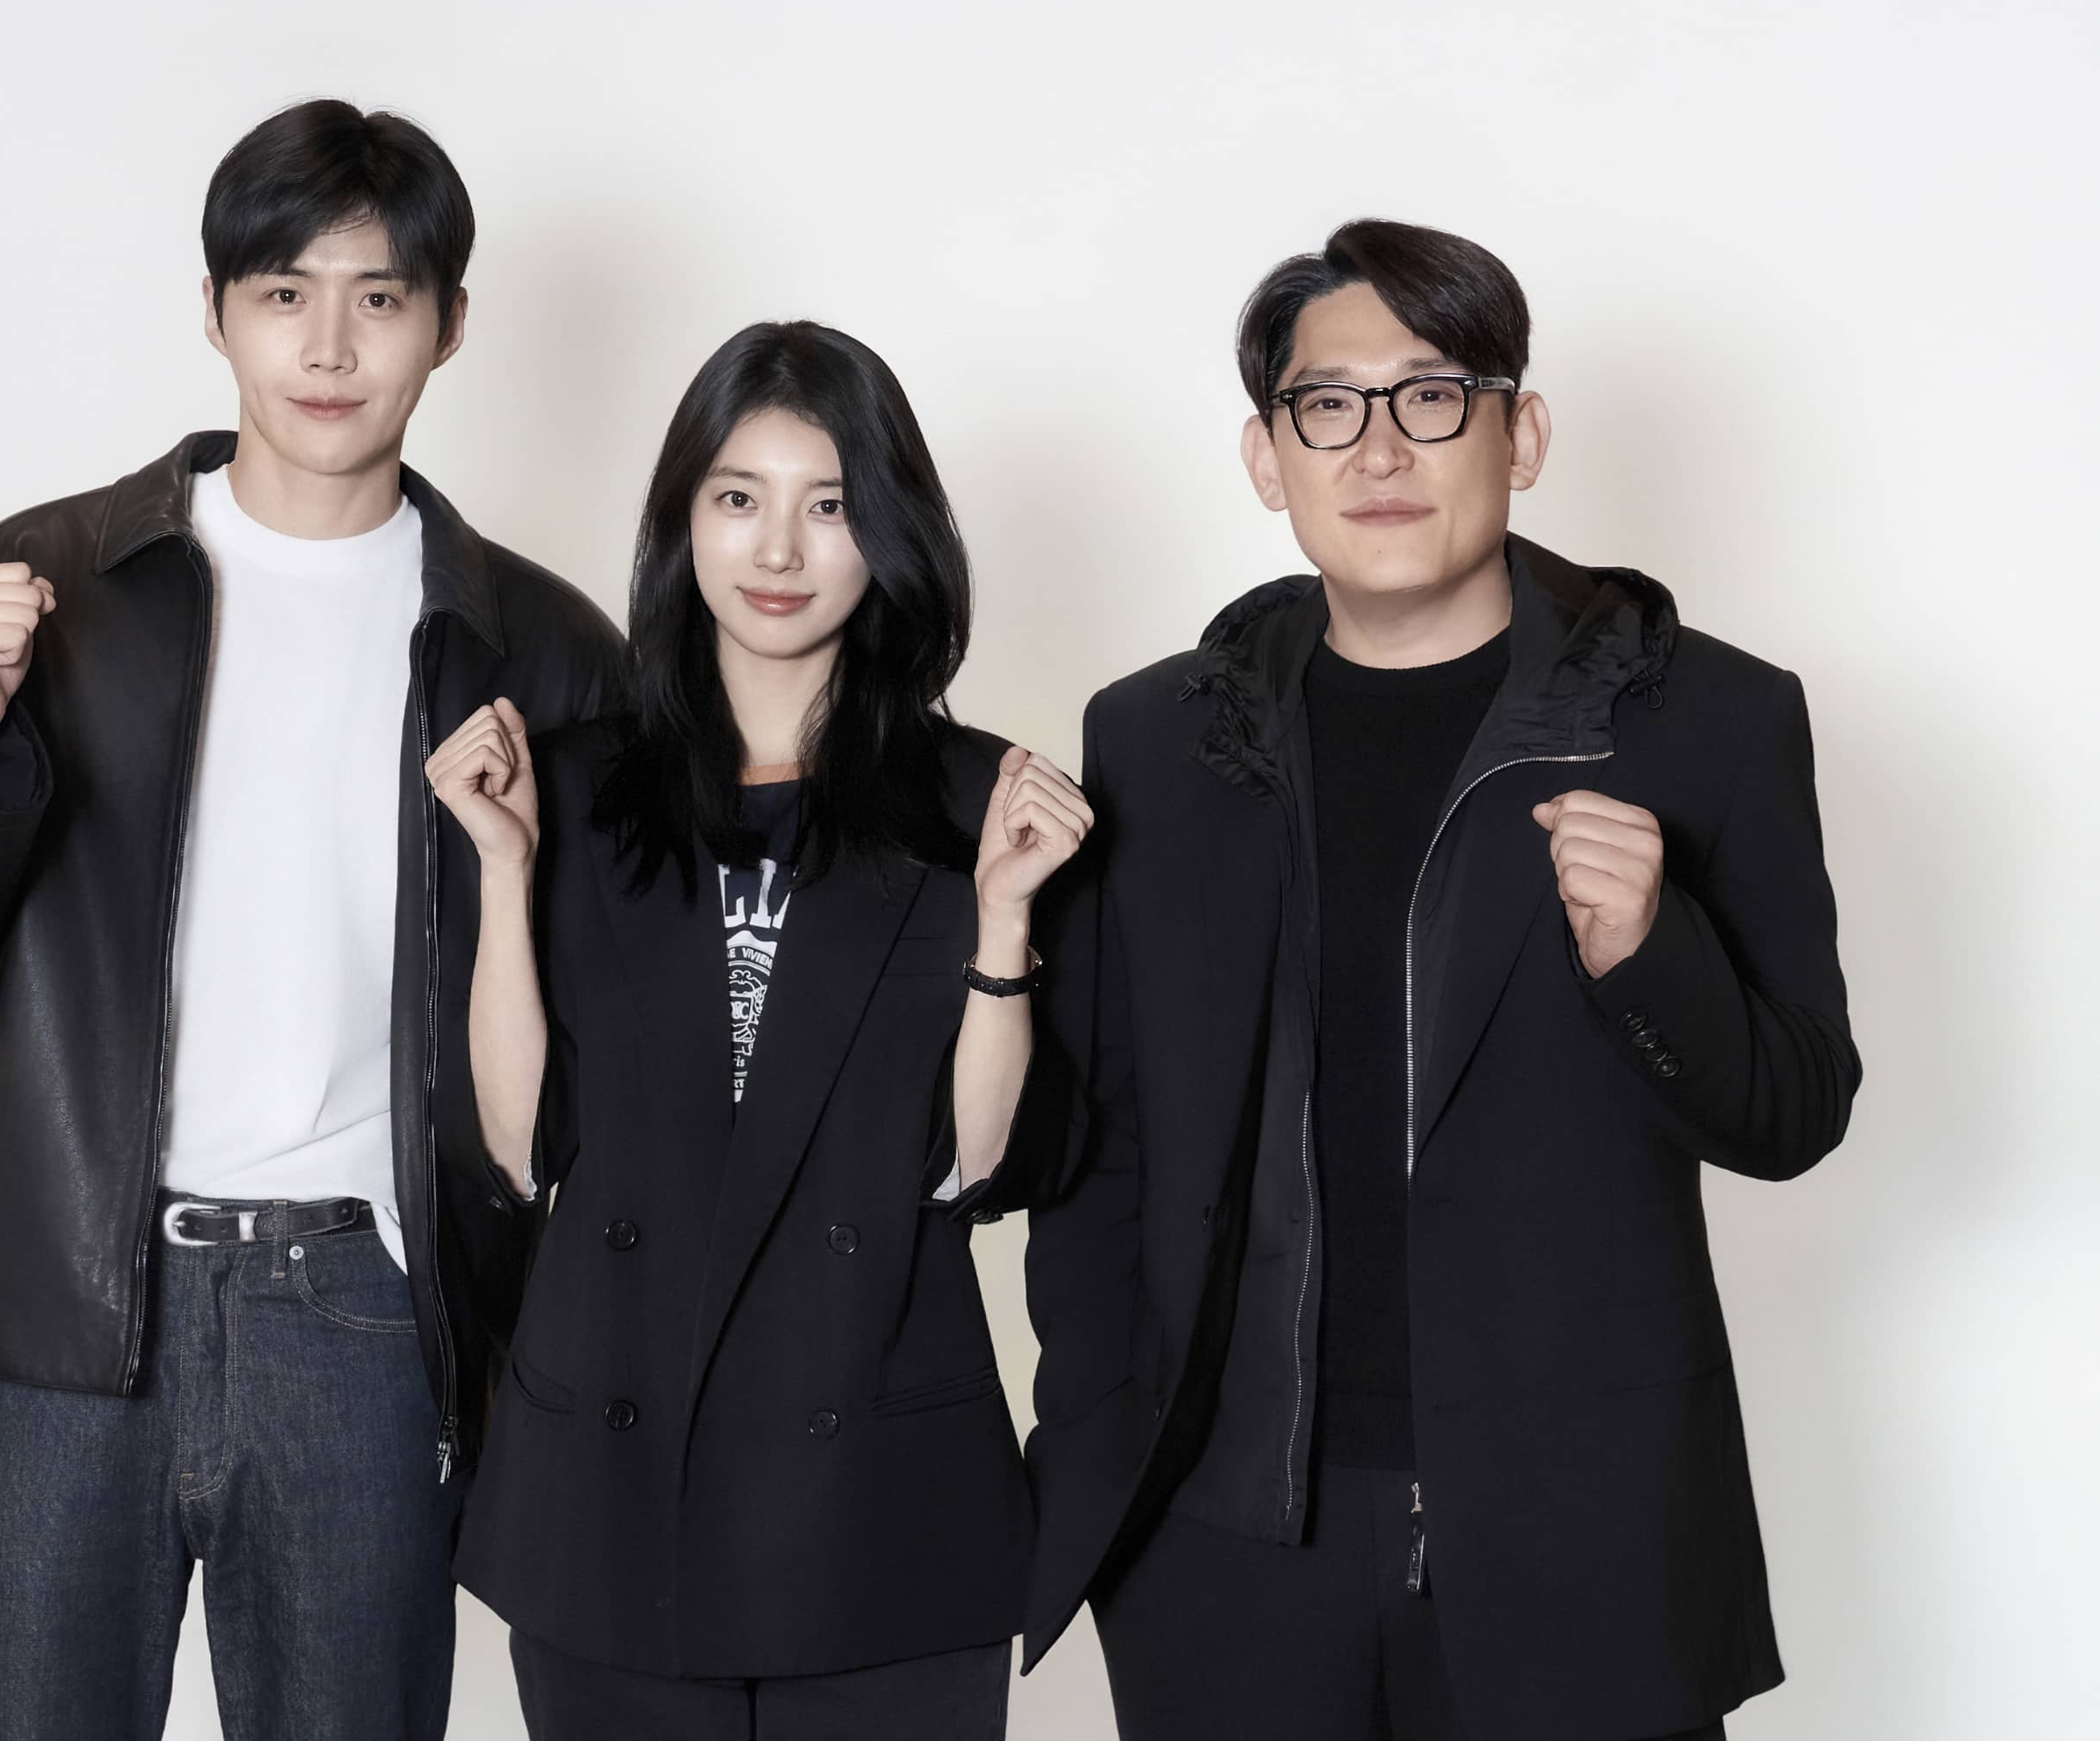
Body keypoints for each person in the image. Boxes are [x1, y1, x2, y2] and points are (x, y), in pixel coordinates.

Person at [0, 99, 625, 1738]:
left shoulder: (542, 653)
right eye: (281, 293)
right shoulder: (48, 589)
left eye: (380, 297)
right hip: (61, 1314)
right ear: (213, 309)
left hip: (367, 1321)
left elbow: (582, 1075)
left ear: (450, 324)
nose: (328, 347)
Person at [1021, 220, 1860, 1740]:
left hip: (1578, 1545)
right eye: (1326, 405)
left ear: (1519, 435)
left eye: (1431, 396)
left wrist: (1650, 955)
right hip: (1224, 1551)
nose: (1378, 448)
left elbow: (1796, 1111)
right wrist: (1103, 1456)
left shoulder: (1708, 721)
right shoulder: (1155, 740)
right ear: (1267, 457)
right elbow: (1104, 1147)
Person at [426, 321, 1092, 1739]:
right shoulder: (568, 789)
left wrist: (1003, 923)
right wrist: (500, 870)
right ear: (685, 520)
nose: (779, 548)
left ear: (891, 534)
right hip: (610, 1488)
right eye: (739, 497)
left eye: (830, 504)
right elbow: (519, 1152)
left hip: (878, 1501)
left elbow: (975, 1172)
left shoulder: (983, 802)